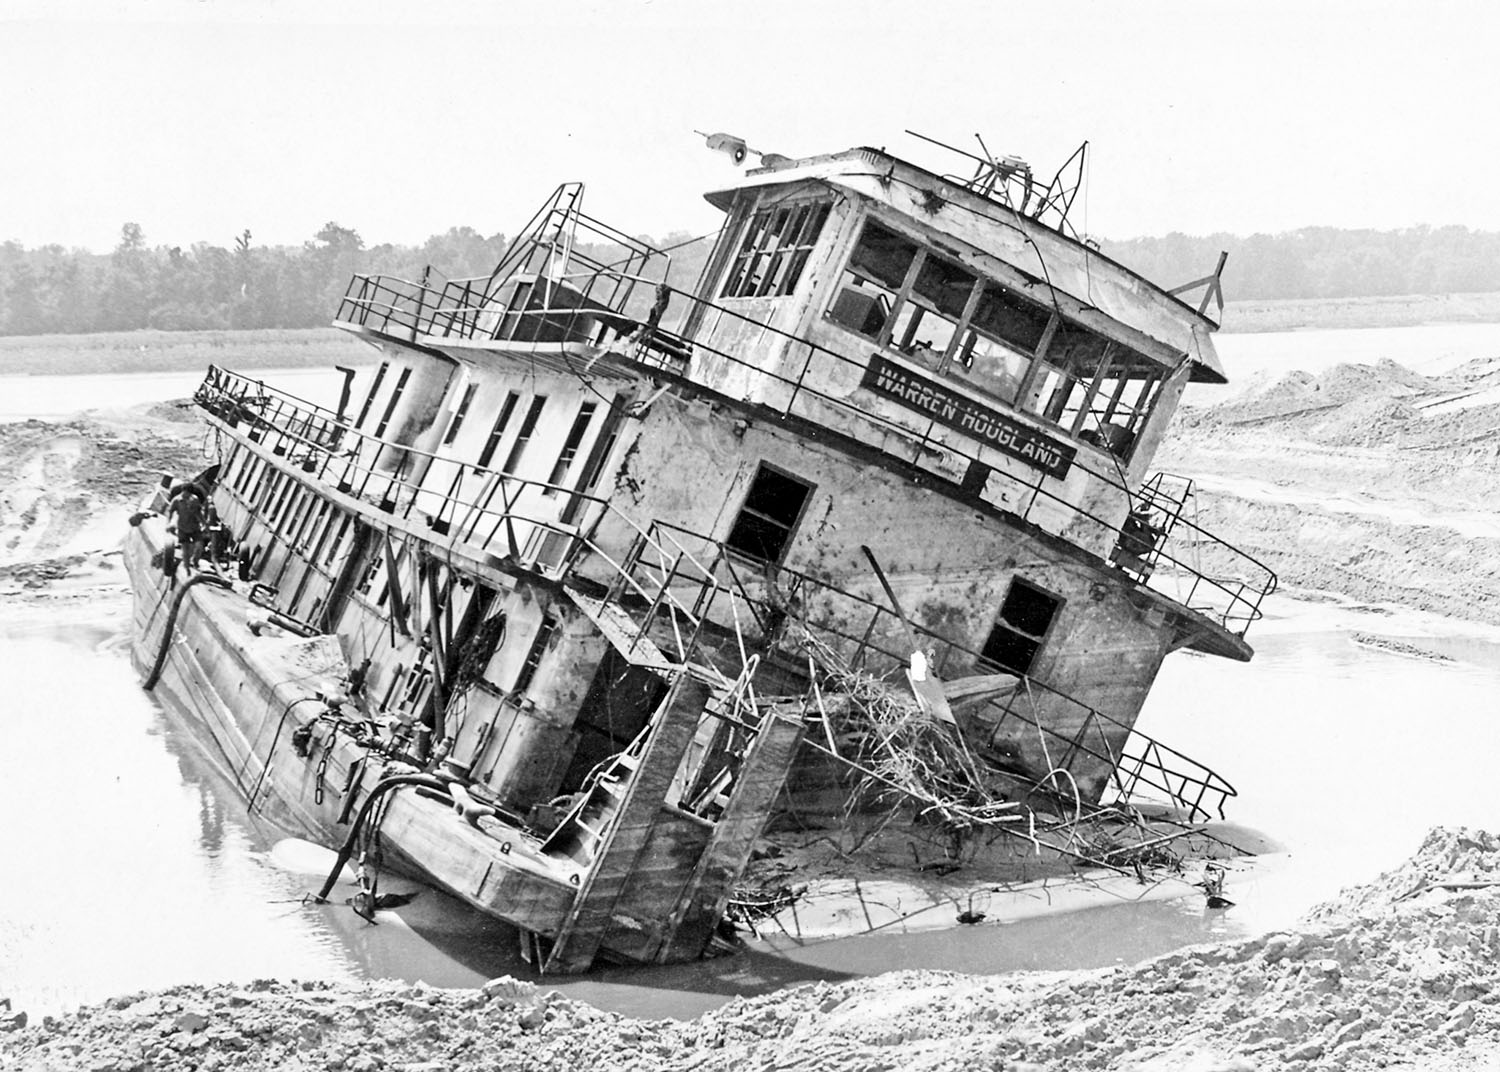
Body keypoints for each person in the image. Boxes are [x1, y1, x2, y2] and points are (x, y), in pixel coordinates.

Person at [167, 482, 208, 573]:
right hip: (182, 528)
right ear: (183, 491)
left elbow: (199, 513)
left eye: (190, 493)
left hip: (194, 527)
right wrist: (169, 524)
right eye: (187, 493)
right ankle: (187, 569)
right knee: (185, 551)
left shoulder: (195, 499)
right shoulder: (176, 500)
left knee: (199, 545)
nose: (188, 495)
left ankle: (195, 562)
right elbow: (171, 512)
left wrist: (204, 524)